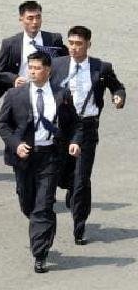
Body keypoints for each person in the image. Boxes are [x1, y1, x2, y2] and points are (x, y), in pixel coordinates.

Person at [0, 51, 82, 273]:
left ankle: (40, 254)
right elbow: (3, 124)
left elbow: (75, 123)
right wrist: (16, 144)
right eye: (30, 68)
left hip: (50, 156)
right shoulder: (15, 95)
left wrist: (74, 142)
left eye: (37, 68)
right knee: (28, 205)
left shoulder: (61, 94)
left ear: (48, 70)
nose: (32, 72)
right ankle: (44, 227)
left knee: (43, 206)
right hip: (24, 158)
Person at [50, 25, 125, 245]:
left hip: (87, 128)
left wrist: (118, 97)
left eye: (79, 44)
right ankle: (71, 189)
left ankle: (79, 226)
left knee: (82, 179)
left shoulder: (101, 67)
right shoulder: (57, 64)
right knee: (63, 175)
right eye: (71, 43)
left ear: (88, 45)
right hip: (62, 127)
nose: (74, 48)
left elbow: (117, 87)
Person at [0, 1, 67, 103]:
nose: (35, 22)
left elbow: (66, 64)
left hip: (49, 94)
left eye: (38, 17)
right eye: (30, 18)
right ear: (21, 19)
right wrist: (14, 79)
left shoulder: (53, 39)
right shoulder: (10, 44)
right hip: (21, 95)